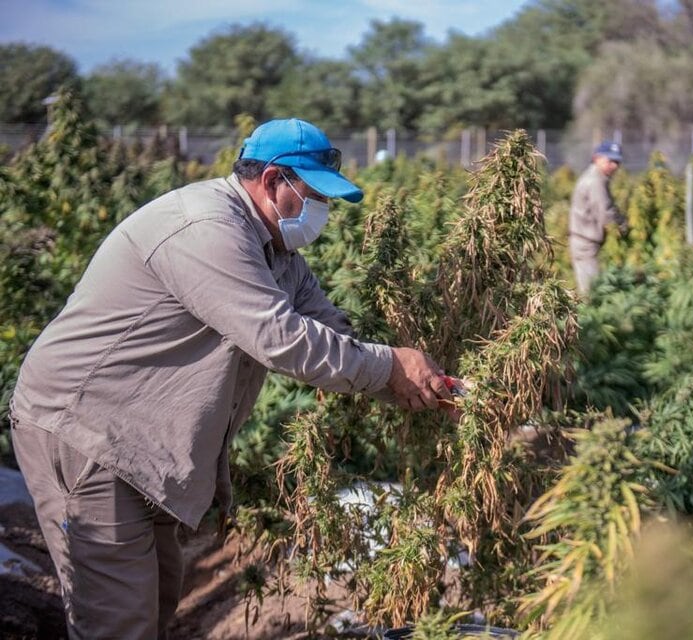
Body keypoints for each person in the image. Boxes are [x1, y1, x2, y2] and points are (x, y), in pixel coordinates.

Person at [7, 118, 454, 639]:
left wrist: (423, 384)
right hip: (85, 431)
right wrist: (391, 364)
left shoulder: (279, 254)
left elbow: (329, 329)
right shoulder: (208, 230)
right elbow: (283, 340)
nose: (322, 213)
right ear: (271, 182)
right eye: (314, 196)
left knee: (156, 600)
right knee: (116, 621)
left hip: (141, 441)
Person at [568, 140, 627, 295]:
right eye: (610, 161)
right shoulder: (595, 181)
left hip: (587, 241)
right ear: (597, 158)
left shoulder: (596, 177)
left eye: (617, 162)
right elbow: (606, 213)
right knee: (593, 292)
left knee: (593, 288)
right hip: (586, 244)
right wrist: (623, 228)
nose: (614, 166)